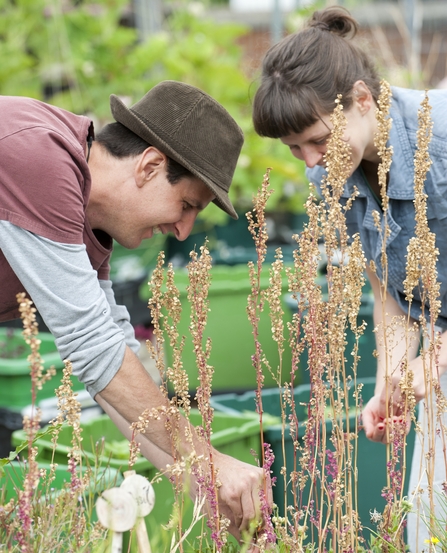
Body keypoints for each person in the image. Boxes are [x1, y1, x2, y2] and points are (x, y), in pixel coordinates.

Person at [0, 80, 272, 547]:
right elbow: (93, 347)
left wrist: (199, 483)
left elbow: (114, 361)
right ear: (149, 165)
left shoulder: (87, 222)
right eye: (187, 205)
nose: (184, 231)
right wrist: (208, 459)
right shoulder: (37, 157)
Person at [252, 6, 447, 552]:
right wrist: (390, 379)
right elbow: (389, 283)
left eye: (316, 140)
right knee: (431, 526)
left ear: (363, 99)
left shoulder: (442, 142)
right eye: (294, 150)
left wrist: (430, 363)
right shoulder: (336, 170)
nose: (310, 161)